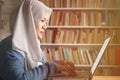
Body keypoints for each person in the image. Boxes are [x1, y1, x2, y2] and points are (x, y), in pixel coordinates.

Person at [0, 0, 76, 80]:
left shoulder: (29, 43)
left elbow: (33, 71)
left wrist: (55, 65)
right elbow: (20, 78)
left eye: (46, 22)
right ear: (28, 21)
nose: (45, 27)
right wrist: (50, 67)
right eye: (42, 21)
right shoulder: (12, 48)